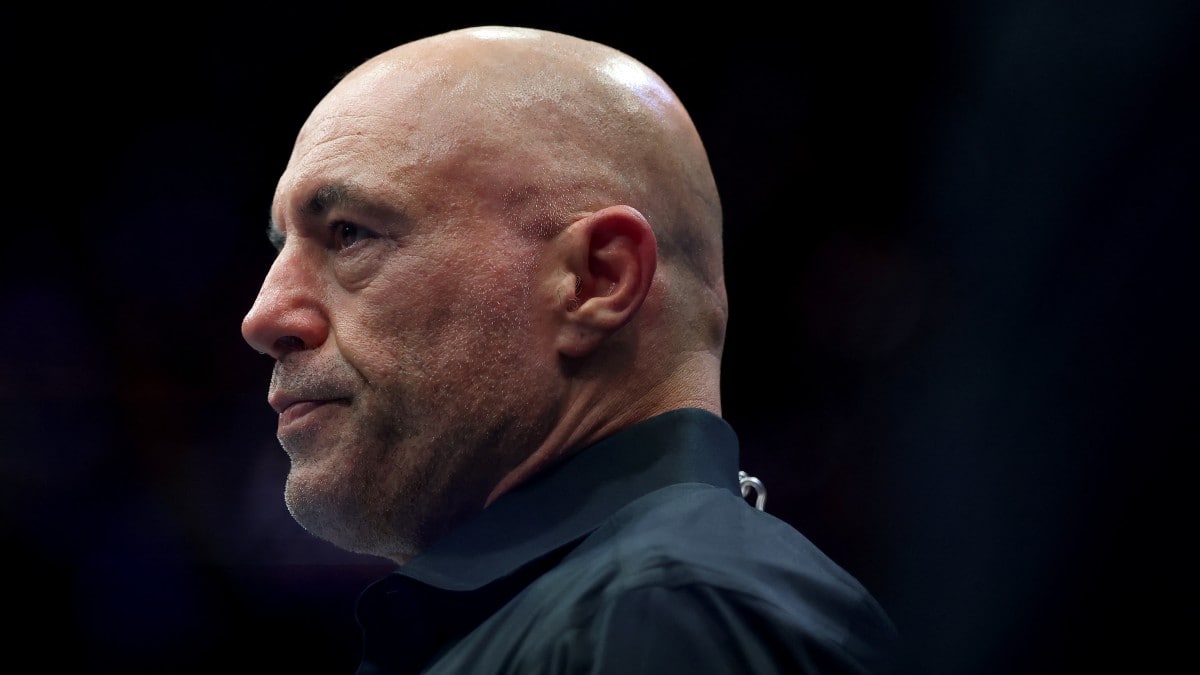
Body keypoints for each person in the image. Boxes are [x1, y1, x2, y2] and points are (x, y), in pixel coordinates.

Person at [240, 25, 900, 674]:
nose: (264, 316)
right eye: (282, 246)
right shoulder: (618, 612)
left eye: (349, 234)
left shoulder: (666, 613)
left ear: (597, 279)